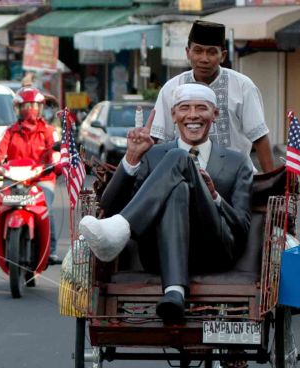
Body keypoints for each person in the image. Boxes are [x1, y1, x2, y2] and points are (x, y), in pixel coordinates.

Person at [79, 83, 253, 325]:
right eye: (184, 108)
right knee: (178, 187)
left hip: (214, 250)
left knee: (180, 158)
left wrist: (214, 196)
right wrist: (131, 159)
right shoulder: (152, 155)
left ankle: (121, 229)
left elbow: (242, 226)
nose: (192, 115)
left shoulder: (237, 161)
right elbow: (108, 206)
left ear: (214, 115)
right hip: (158, 252)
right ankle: (174, 291)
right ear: (173, 115)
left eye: (201, 108)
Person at [150, 20, 275, 173]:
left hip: (235, 178)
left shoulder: (243, 86)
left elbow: (259, 136)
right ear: (187, 52)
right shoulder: (171, 88)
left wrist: (271, 182)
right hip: (184, 178)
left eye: (211, 52)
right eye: (198, 51)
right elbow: (157, 138)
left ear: (222, 56)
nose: (204, 59)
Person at [0, 86, 62, 264]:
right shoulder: (9, 131)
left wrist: (56, 164)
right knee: (0, 206)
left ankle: (52, 251)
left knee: (46, 209)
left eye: (33, 106)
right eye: (25, 106)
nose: (29, 110)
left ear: (41, 108)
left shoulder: (49, 131)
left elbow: (56, 151)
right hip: (12, 178)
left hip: (41, 178)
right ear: (17, 109)